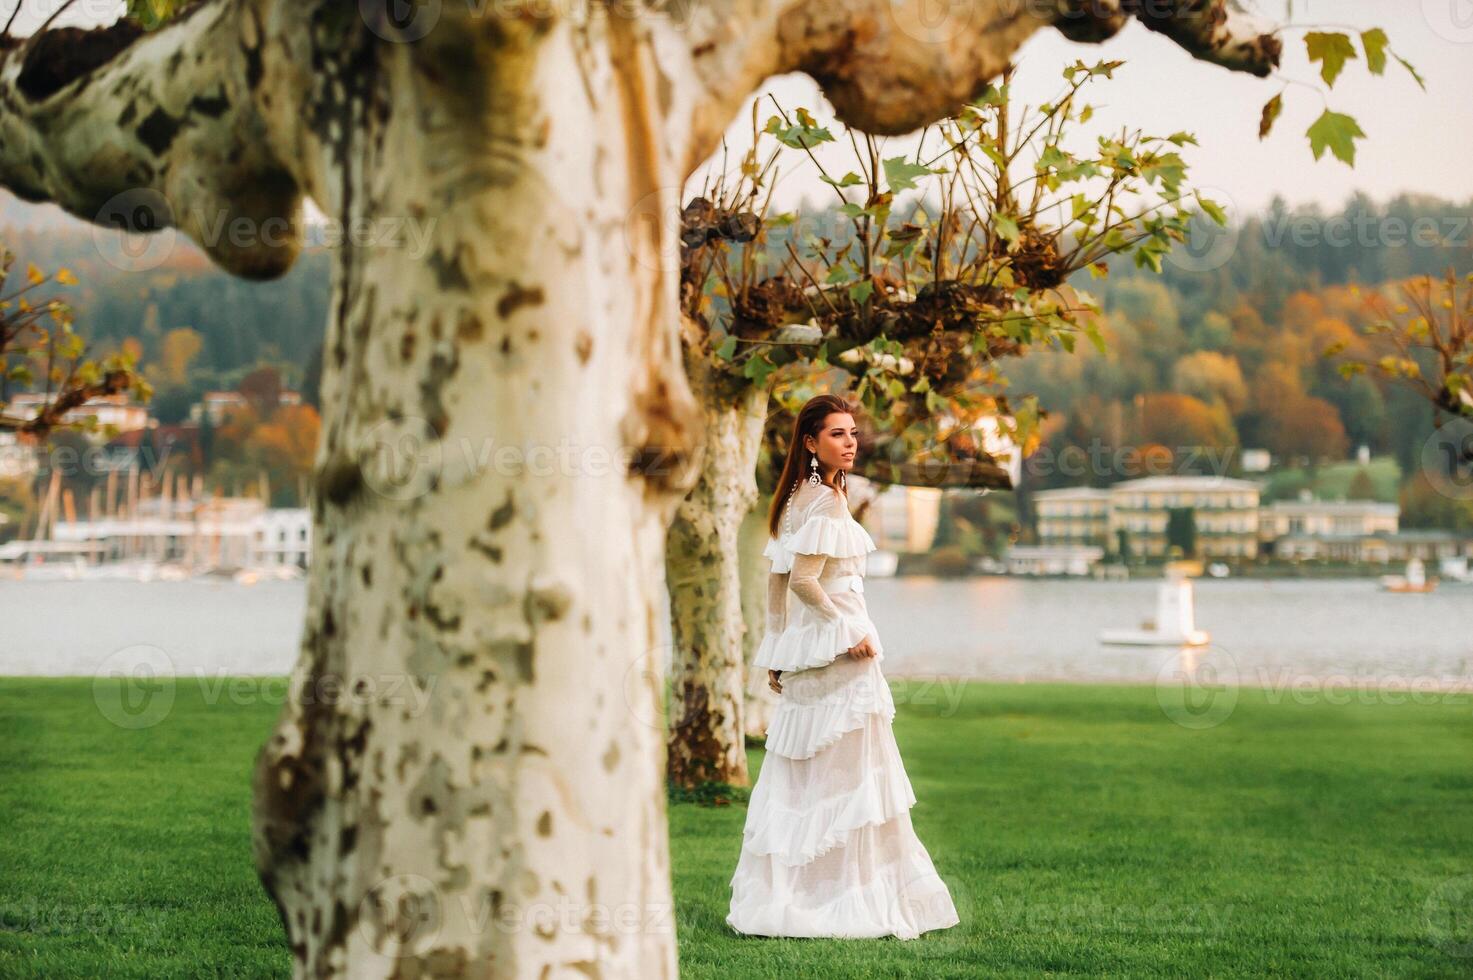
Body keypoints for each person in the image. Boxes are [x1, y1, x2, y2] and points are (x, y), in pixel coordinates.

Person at [726, 393, 959, 940]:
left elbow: (776, 584)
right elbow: (803, 582)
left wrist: (778, 648)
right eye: (837, 433)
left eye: (853, 433)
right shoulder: (825, 504)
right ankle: (847, 895)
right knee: (852, 775)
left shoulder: (795, 500)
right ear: (810, 442)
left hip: (811, 652)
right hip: (839, 651)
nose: (850, 442)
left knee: (809, 777)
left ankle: (805, 891)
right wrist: (845, 632)